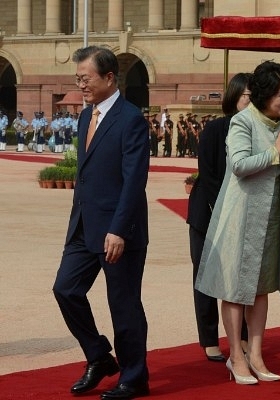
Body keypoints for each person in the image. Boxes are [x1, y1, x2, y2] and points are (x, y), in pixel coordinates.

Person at [196, 61, 280, 385]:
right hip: (240, 215)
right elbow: (240, 164)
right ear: (263, 94)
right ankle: (236, 355)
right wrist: (277, 150)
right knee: (234, 288)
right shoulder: (242, 121)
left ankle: (256, 354)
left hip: (272, 217)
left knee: (261, 289)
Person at [52, 45, 150, 400]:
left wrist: (119, 229)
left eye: (85, 78)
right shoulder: (84, 116)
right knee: (65, 289)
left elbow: (134, 179)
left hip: (118, 232)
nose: (81, 85)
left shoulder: (130, 119)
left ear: (110, 77)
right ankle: (99, 356)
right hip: (83, 227)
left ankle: (135, 377)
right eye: (78, 78)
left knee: (123, 305)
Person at [187, 72, 252, 363]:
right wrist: (227, 209)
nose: (252, 102)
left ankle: (243, 337)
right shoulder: (215, 129)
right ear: (234, 96)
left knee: (242, 278)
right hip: (209, 212)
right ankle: (210, 339)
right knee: (205, 276)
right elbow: (210, 175)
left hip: (244, 215)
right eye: (248, 96)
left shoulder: (258, 130)